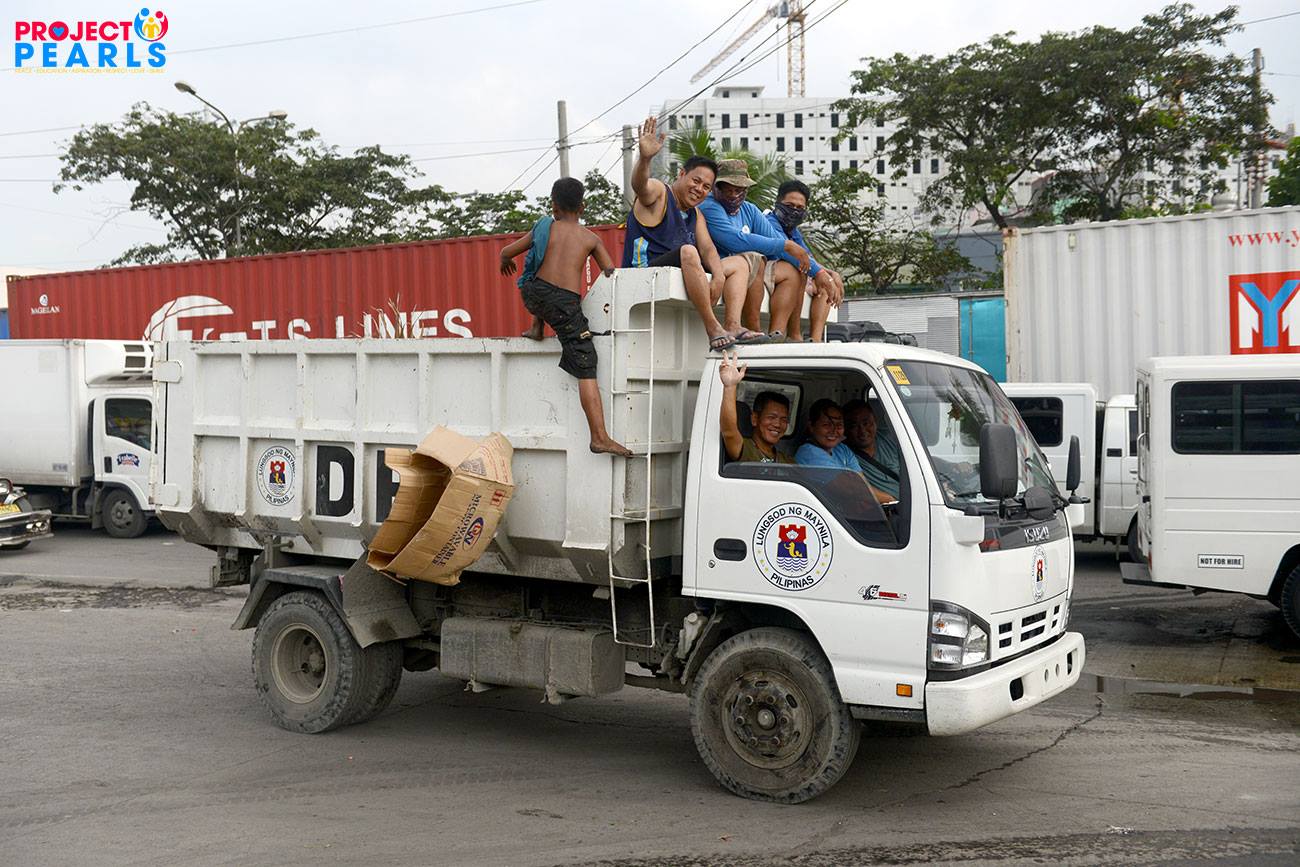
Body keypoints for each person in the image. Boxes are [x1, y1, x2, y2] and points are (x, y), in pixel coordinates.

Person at [499, 177, 632, 457]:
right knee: (586, 362)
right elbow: (610, 271)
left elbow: (506, 252)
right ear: (582, 207)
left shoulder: (543, 227)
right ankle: (599, 437)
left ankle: (536, 328)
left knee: (539, 283)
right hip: (563, 303)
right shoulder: (591, 238)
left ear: (554, 207)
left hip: (533, 294)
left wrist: (505, 261)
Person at [623, 117, 766, 351]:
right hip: (645, 271)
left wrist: (718, 275)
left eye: (706, 187)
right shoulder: (660, 193)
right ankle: (712, 327)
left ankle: (732, 325)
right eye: (696, 181)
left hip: (683, 266)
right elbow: (641, 186)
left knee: (741, 263)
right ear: (681, 174)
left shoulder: (696, 214)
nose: (699, 189)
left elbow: (708, 249)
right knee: (690, 252)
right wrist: (645, 158)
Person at [697, 160, 811, 341]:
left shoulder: (749, 209)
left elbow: (778, 243)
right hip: (715, 265)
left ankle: (777, 335)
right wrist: (786, 245)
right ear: (715, 188)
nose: (733, 195)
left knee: (792, 270)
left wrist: (821, 273)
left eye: (738, 189)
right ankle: (751, 327)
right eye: (727, 189)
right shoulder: (708, 206)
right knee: (753, 257)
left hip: (739, 269)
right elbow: (735, 241)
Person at [765, 180, 846, 342]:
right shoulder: (768, 221)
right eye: (789, 205)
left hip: (783, 273)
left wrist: (831, 274)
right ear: (778, 203)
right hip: (766, 269)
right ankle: (793, 334)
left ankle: (815, 340)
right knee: (801, 270)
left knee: (823, 285)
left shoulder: (793, 231)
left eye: (799, 208)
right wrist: (821, 273)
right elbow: (792, 254)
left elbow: (807, 257)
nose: (794, 211)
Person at [795, 398, 895, 504]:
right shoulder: (808, 453)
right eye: (827, 425)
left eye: (839, 425)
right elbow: (854, 489)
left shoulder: (842, 449)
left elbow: (861, 482)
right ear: (811, 426)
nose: (834, 430)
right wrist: (891, 500)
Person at [717, 350, 794, 464]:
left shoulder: (787, 461)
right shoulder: (745, 448)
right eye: (772, 417)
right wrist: (730, 387)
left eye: (784, 419)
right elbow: (729, 432)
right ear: (755, 419)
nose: (777, 424)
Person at [843, 399, 902, 500]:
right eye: (854, 426)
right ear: (845, 429)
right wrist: (890, 499)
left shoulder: (892, 438)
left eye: (866, 423)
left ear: (875, 421)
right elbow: (852, 488)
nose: (862, 431)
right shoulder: (842, 453)